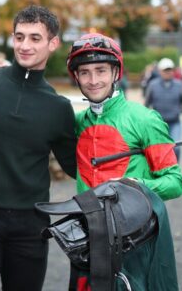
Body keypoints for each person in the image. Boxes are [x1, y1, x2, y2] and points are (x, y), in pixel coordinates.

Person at [0, 5, 78, 291]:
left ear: (53, 43)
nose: (25, 46)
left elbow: (77, 166)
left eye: (35, 38)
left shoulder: (58, 108)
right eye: (19, 37)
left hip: (30, 226)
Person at [66, 33, 182, 290]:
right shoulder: (76, 121)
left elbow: (175, 181)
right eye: (84, 72)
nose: (93, 80)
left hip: (134, 241)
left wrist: (133, 184)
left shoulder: (145, 119)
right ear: (76, 77)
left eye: (100, 70)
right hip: (88, 238)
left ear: (116, 72)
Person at [145, 57, 182, 160]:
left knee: (176, 148)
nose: (167, 72)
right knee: (158, 149)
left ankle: (174, 169)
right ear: (160, 71)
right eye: (165, 70)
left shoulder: (179, 85)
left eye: (169, 70)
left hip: (174, 122)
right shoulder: (153, 85)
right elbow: (147, 103)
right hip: (159, 124)